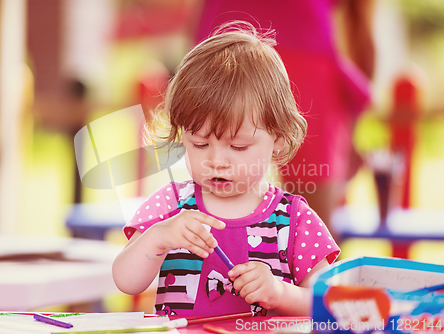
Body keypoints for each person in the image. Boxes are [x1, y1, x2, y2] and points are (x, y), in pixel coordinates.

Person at [112, 21, 340, 317]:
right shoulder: (172, 205)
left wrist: (280, 292)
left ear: (278, 142)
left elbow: (327, 302)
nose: (217, 161)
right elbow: (125, 280)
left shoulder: (294, 219)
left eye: (238, 146)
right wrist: (157, 237)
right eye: (200, 144)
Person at [194, 0, 374, 241]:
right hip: (296, 53)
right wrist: (349, 133)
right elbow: (360, 28)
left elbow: (359, 26)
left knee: (212, 218)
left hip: (223, 45)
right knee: (315, 230)